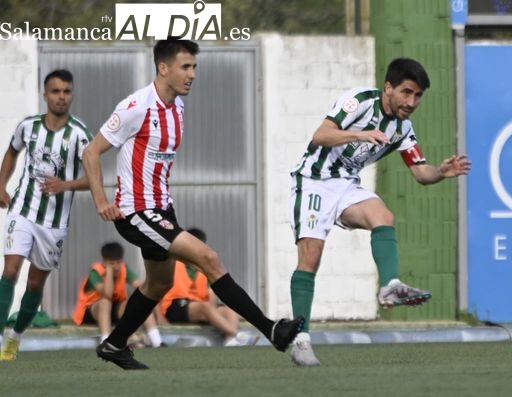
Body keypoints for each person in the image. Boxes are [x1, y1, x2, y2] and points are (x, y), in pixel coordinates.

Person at [82, 38, 303, 370]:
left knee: (159, 283)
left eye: (194, 67)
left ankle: (114, 345)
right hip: (136, 211)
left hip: (162, 209)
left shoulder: (179, 108)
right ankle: (273, 330)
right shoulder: (136, 107)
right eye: (185, 67)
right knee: (209, 258)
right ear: (163, 68)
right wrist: (101, 201)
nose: (192, 74)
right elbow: (91, 152)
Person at [287, 57, 471, 366]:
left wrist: (441, 171)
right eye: (406, 92)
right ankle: (301, 340)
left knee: (384, 217)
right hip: (314, 181)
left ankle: (390, 287)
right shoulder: (359, 101)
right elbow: (320, 135)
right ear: (388, 88)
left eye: (418, 96)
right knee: (311, 257)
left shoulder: (403, 128)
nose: (411, 102)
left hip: (346, 185)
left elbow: (421, 173)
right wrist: (361, 134)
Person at [0, 69, 93, 361]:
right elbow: (12, 152)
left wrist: (65, 184)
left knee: (35, 284)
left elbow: (95, 178)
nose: (61, 97)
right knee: (10, 271)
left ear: (72, 95)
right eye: (55, 91)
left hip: (54, 224)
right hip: (22, 211)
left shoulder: (79, 134)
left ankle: (14, 339)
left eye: (66, 91)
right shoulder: (28, 126)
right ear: (45, 95)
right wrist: (1, 185)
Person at [160, 228, 252, 347]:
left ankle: (230, 340)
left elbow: (211, 297)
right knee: (204, 307)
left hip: (199, 306)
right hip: (175, 306)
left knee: (228, 309)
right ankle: (236, 334)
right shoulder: (171, 263)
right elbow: (156, 291)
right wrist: (161, 319)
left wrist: (215, 311)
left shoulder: (204, 268)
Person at [72, 242, 164, 347]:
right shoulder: (96, 272)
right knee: (105, 302)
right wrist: (109, 272)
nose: (116, 267)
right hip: (92, 312)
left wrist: (159, 315)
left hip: (114, 311)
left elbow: (146, 290)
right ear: (104, 261)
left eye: (118, 262)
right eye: (111, 263)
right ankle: (106, 342)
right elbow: (108, 294)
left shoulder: (124, 268)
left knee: (140, 302)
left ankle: (157, 341)